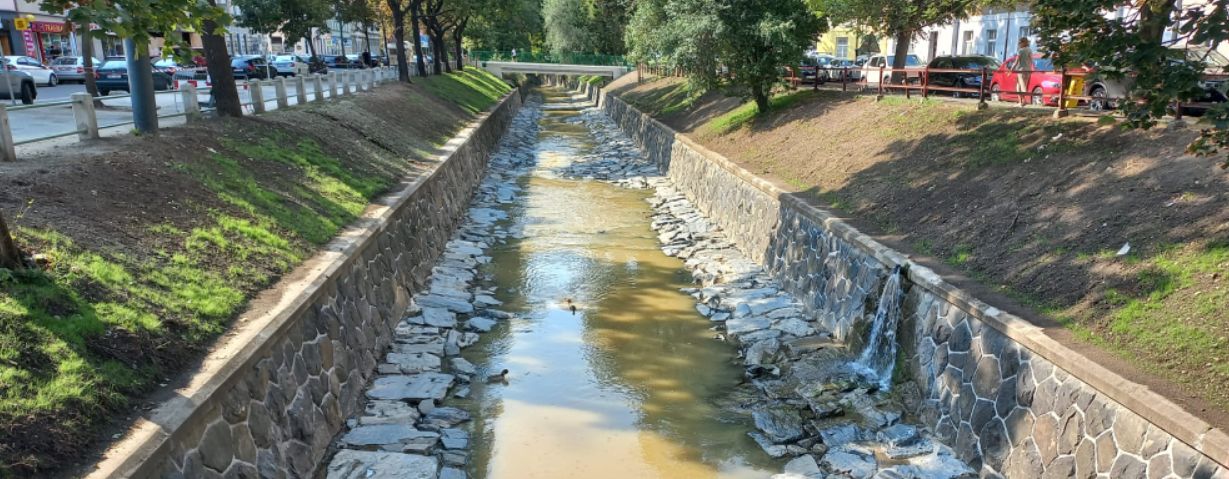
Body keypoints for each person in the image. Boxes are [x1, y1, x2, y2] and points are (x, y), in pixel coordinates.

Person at [1014, 38, 1034, 107]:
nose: (1019, 44)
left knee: (1020, 86)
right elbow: (1031, 60)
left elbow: (1016, 61)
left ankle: (1022, 101)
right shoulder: (1030, 50)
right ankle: (1021, 102)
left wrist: (1011, 69)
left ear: (1023, 43)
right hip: (1028, 70)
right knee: (1022, 85)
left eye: (1020, 43)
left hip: (1021, 70)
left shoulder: (1020, 51)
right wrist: (1032, 68)